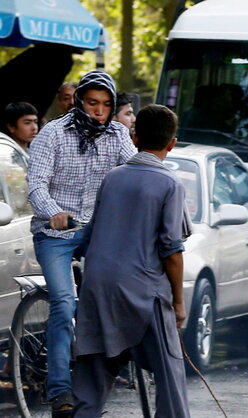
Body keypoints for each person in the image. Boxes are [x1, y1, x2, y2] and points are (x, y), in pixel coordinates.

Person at [26, 70, 135, 414]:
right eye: (92, 103)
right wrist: (53, 211)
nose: (99, 111)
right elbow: (36, 185)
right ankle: (59, 390)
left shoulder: (118, 134)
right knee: (63, 302)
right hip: (55, 233)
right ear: (78, 101)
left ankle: (110, 366)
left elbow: (136, 171)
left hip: (98, 232)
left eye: (106, 105)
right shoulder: (52, 133)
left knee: (118, 291)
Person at [72, 104, 190, 417]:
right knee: (169, 371)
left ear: (134, 138)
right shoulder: (170, 184)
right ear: (172, 143)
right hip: (141, 289)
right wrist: (178, 303)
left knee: (92, 377)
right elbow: (172, 251)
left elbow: (91, 234)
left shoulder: (113, 177)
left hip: (97, 284)